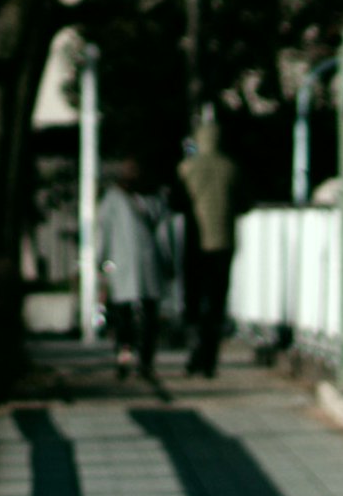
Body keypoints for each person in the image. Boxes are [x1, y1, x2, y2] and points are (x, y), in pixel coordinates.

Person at [95, 166, 173, 381]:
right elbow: (165, 233)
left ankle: (124, 354)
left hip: (122, 262)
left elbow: (104, 229)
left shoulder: (112, 199)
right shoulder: (156, 198)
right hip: (150, 261)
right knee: (149, 314)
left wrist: (99, 259)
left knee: (123, 312)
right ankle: (146, 361)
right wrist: (167, 261)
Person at [178, 105, 238, 382]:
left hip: (194, 242)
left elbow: (175, 202)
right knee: (215, 303)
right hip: (223, 242)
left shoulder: (187, 169)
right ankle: (210, 359)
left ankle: (194, 354)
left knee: (193, 299)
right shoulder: (230, 168)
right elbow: (245, 202)